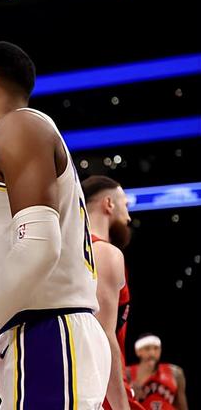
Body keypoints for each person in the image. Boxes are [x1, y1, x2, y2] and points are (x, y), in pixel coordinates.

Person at [0, 41, 110, 408]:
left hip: (49, 332)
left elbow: (38, 247)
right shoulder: (16, 135)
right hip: (41, 333)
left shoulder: (19, 125)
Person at [82, 175, 144, 410]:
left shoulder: (69, 252)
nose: (128, 217)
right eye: (125, 206)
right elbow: (104, 338)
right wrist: (121, 406)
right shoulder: (104, 253)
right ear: (108, 204)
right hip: (101, 391)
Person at [127, 334, 188, 410]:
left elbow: (182, 406)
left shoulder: (175, 373)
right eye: (147, 349)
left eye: (156, 348)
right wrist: (129, 393)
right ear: (138, 351)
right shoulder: (127, 373)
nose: (152, 353)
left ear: (160, 350)